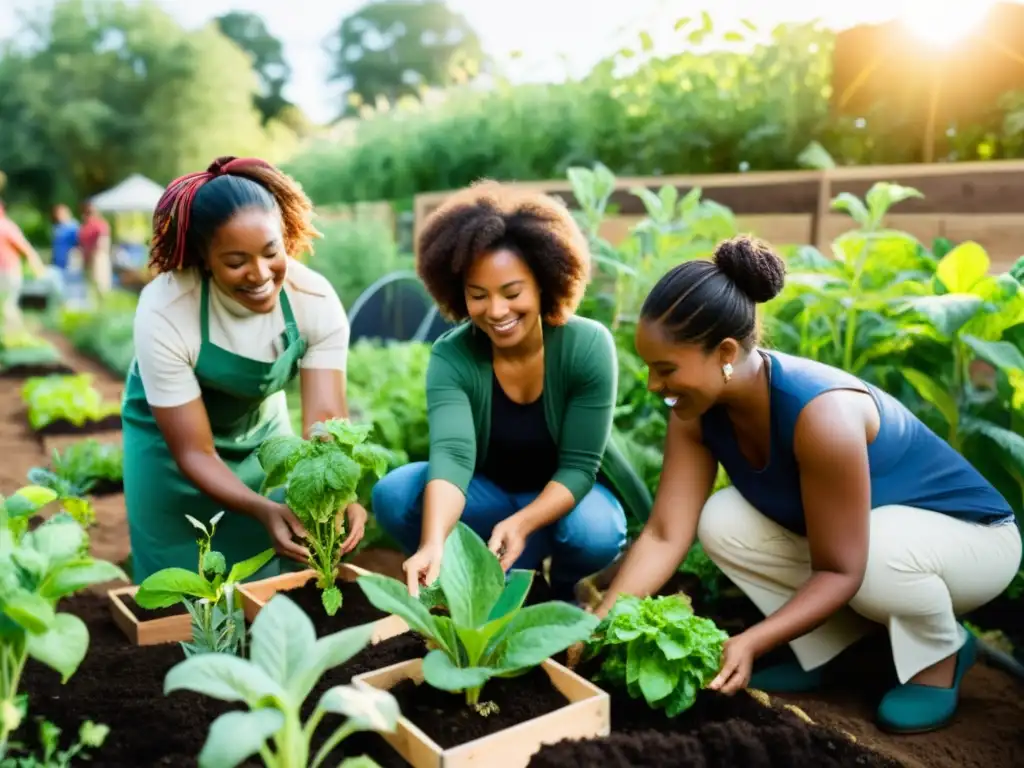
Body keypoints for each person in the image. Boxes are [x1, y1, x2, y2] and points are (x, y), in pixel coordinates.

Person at [594, 234, 1021, 734]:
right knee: (722, 519)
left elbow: (843, 569)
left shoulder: (820, 414)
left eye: (665, 369)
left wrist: (755, 640)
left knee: (877, 553)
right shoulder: (695, 411)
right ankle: (832, 648)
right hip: (873, 544)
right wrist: (600, 620)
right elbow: (667, 532)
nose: (653, 385)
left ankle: (941, 652)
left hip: (973, 540)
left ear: (726, 352)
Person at [371, 181, 652, 602]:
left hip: (564, 499)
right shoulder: (453, 355)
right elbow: (452, 457)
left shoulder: (586, 345)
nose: (496, 311)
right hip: (487, 495)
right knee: (395, 494)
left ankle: (561, 589)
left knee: (593, 531)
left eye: (512, 292)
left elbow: (578, 467)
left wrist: (522, 523)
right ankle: (475, 574)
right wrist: (433, 542)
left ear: (544, 282)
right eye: (478, 296)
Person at [123, 155, 365, 583]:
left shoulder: (313, 300)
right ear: (204, 259)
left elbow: (325, 420)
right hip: (169, 450)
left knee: (270, 587)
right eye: (236, 262)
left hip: (261, 440)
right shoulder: (166, 309)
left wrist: (339, 493)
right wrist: (260, 508)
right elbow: (194, 451)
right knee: (182, 602)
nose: (260, 274)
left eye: (271, 252)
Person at [0, 198, 46, 330]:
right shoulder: (7, 226)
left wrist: (37, 267)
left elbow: (26, 249)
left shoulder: (5, 227)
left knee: (7, 306)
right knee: (8, 306)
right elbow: (27, 250)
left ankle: (13, 338)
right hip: (8, 271)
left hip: (7, 271)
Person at [76, 200, 112, 298]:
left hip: (97, 256)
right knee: (88, 283)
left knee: (99, 282)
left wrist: (96, 254)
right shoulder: (84, 226)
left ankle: (101, 301)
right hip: (86, 257)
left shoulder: (101, 224)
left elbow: (103, 241)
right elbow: (81, 242)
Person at [50, 204, 80, 272]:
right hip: (57, 263)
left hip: (70, 264)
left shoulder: (74, 227)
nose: (58, 216)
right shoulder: (56, 227)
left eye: (60, 214)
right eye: (56, 214)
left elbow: (78, 245)